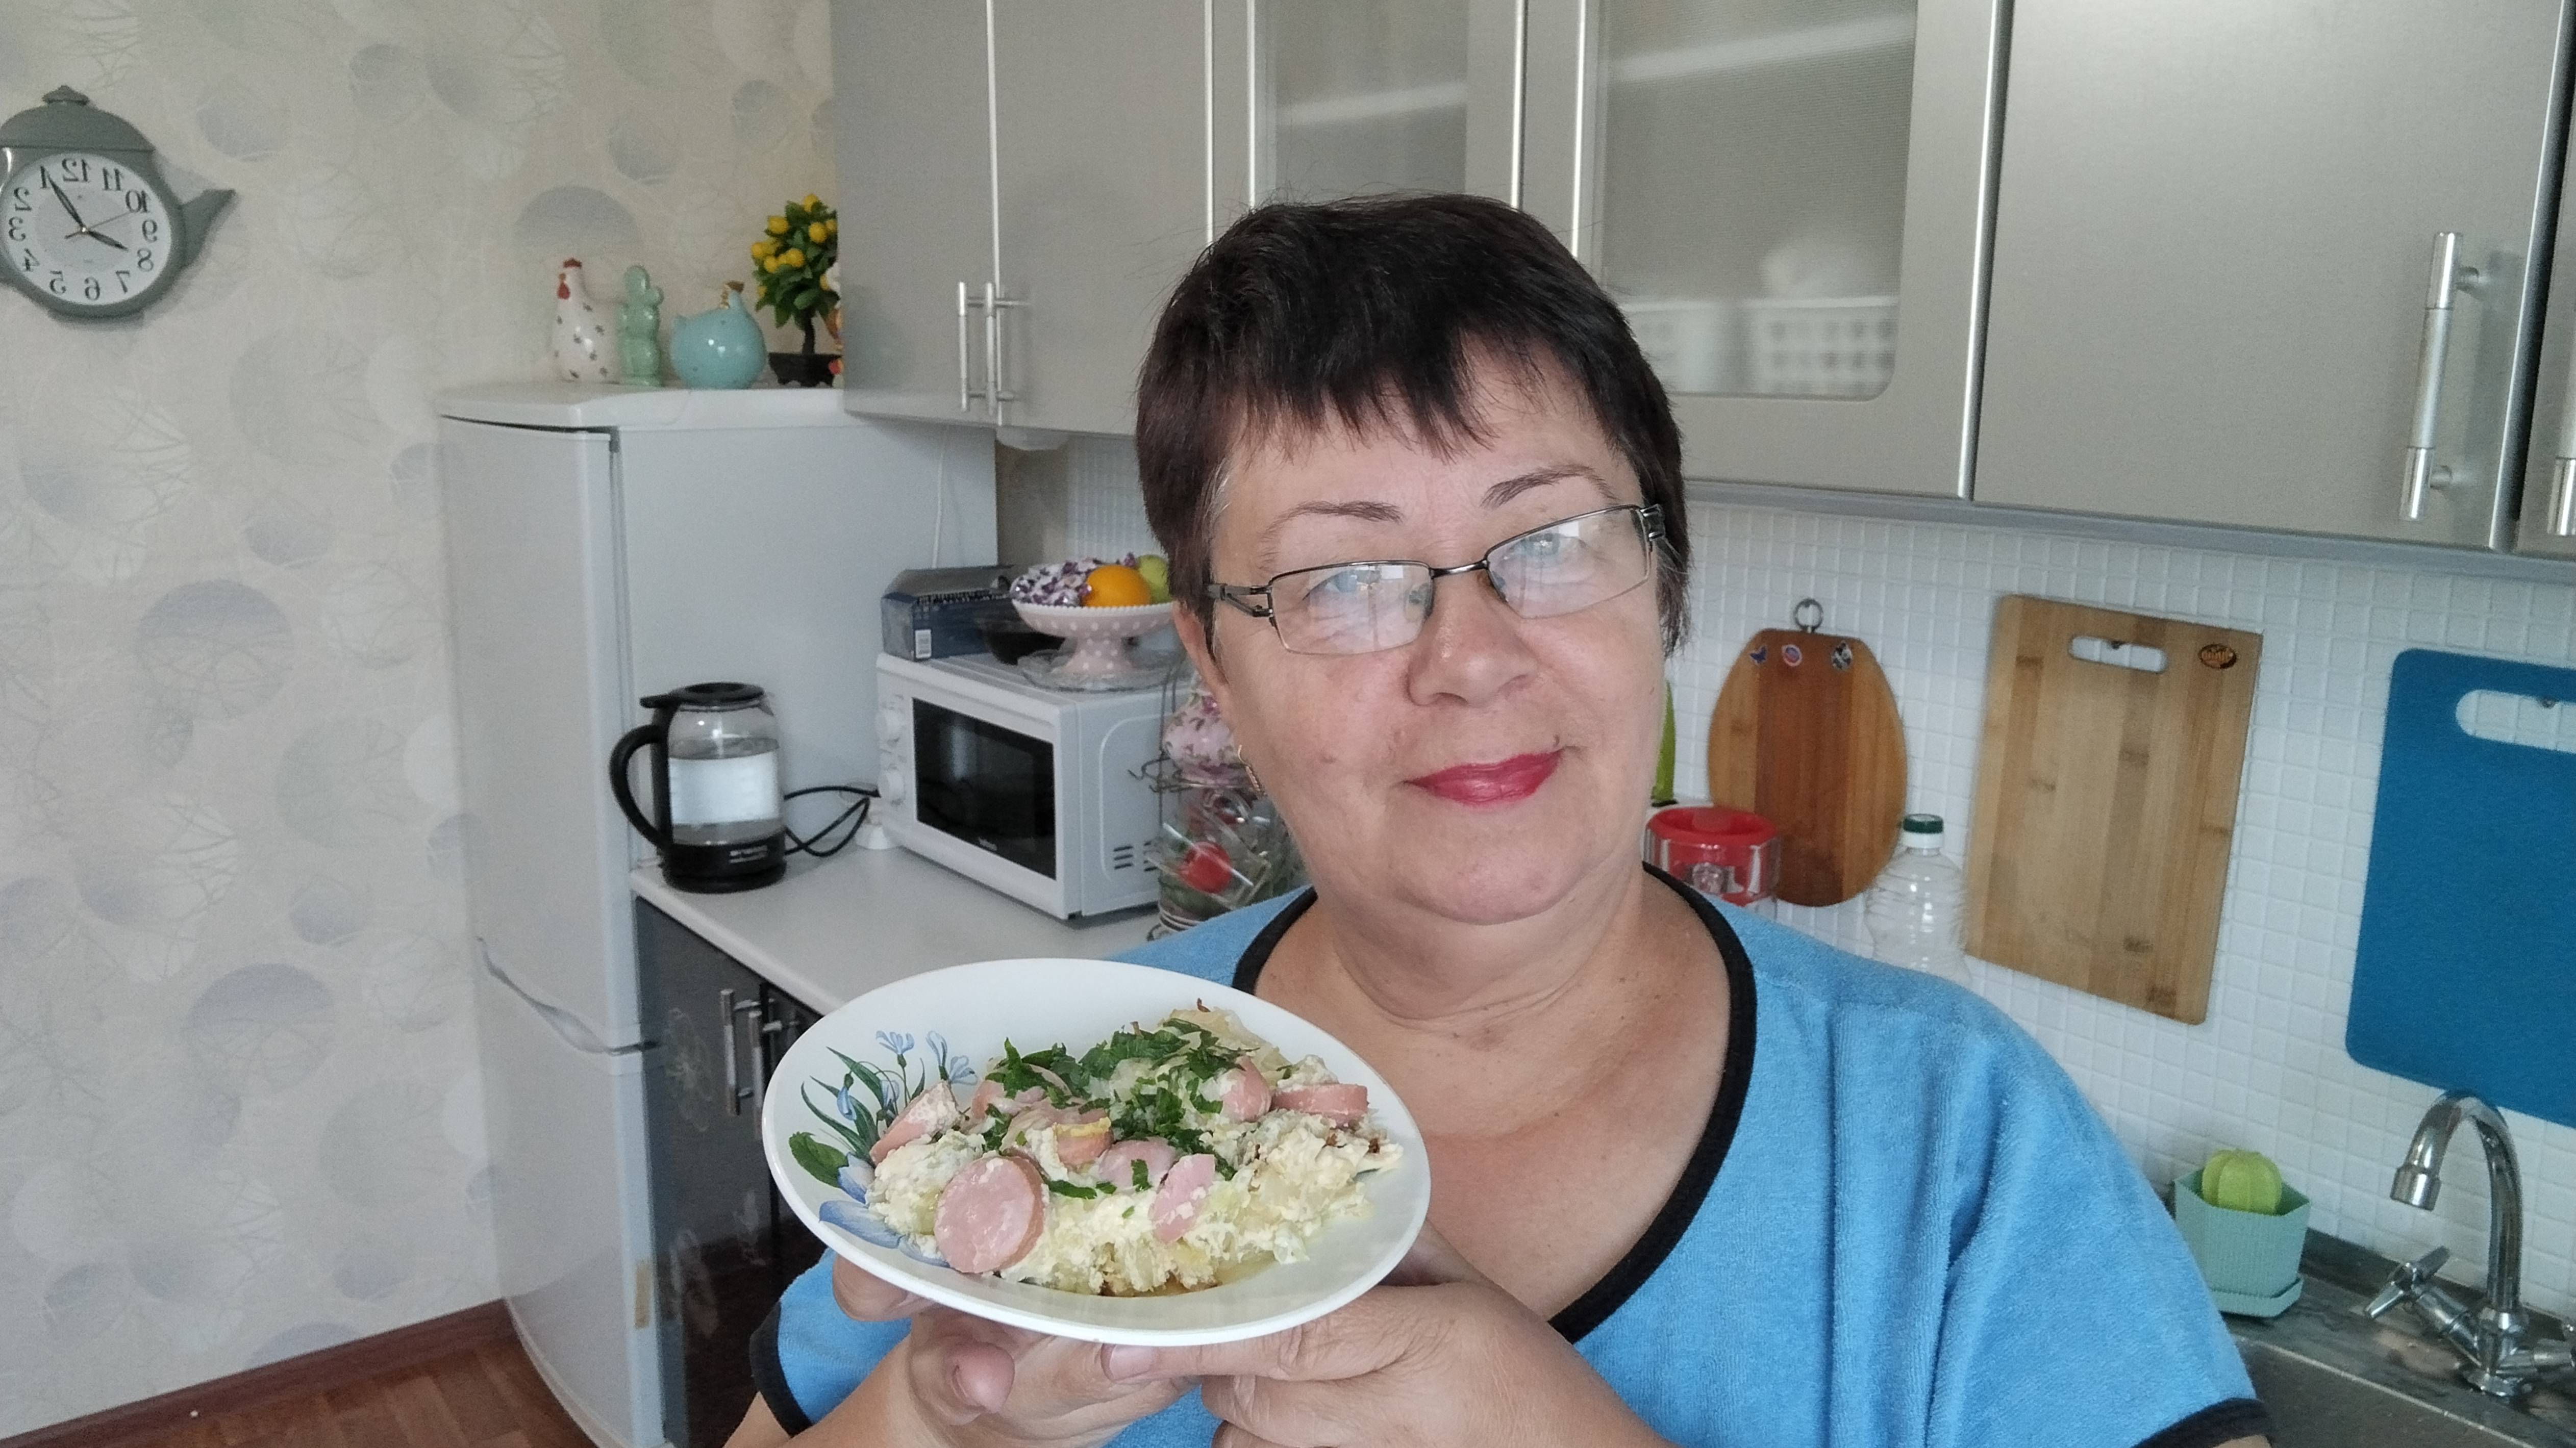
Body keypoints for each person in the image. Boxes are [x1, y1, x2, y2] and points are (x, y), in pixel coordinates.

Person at [726, 194, 2269, 1448]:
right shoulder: (1048, 1080)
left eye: (1552, 539)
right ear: (1216, 668)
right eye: (1341, 579)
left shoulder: (1959, 1145)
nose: (1469, 660)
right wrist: (933, 1422)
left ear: (1663, 585)